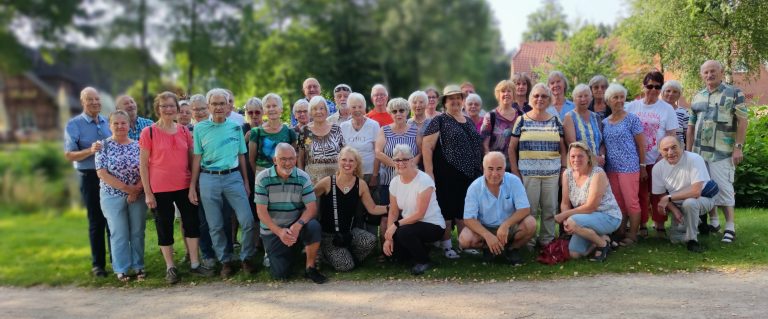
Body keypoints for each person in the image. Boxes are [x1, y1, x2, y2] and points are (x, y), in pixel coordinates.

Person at [139, 92, 213, 284]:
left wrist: (193, 185)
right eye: (164, 106)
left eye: (172, 106)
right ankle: (170, 267)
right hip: (160, 188)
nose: (169, 109)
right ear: (158, 109)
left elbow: (191, 160)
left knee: (191, 224)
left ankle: (195, 264)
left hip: (184, 185)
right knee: (164, 227)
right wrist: (148, 192)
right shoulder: (149, 132)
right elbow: (144, 165)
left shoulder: (183, 131)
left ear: (177, 109)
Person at [188, 88, 257, 278]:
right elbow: (197, 157)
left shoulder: (236, 127)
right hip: (208, 178)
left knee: (247, 220)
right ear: (209, 106)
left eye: (222, 103)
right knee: (215, 225)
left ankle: (246, 257)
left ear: (229, 105)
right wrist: (193, 186)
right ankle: (225, 260)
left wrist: (245, 181)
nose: (219, 107)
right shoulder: (200, 128)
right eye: (215, 104)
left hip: (233, 177)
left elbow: (241, 155)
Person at [687, 60, 749, 243]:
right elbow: (690, 127)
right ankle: (714, 222)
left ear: (721, 72)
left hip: (722, 151)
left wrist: (738, 147)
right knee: (706, 188)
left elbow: (743, 121)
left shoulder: (734, 93)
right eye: (705, 72)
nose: (709, 75)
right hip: (699, 153)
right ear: (701, 75)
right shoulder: (697, 96)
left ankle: (730, 227)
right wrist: (689, 153)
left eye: (713, 71)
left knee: (724, 188)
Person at [423, 85, 483, 259]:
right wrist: (429, 171)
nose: (455, 101)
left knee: (464, 210)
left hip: (470, 174)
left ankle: (464, 244)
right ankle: (447, 246)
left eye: (458, 98)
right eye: (451, 99)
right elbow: (427, 146)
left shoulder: (468, 120)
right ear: (445, 102)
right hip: (446, 173)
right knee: (447, 210)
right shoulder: (439, 120)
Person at [254, 143, 327, 283]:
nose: (288, 163)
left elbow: (311, 208)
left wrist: (298, 225)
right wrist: (280, 232)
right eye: (283, 159)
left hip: (295, 226)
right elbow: (261, 212)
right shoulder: (263, 178)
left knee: (313, 226)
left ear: (296, 158)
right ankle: (281, 253)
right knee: (281, 274)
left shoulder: (303, 177)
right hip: (273, 230)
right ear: (275, 160)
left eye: (291, 158)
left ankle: (310, 268)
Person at [508, 83, 566, 248]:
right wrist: (515, 171)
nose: (540, 99)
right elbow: (512, 148)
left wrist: (563, 169)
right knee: (529, 210)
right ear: (531, 99)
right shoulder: (522, 120)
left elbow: (563, 148)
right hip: (528, 173)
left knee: (550, 209)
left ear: (549, 100)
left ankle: (546, 241)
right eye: (536, 96)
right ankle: (529, 241)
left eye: (544, 96)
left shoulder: (555, 120)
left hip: (552, 173)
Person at [314, 147, 388, 271]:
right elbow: (309, 197)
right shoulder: (327, 182)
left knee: (370, 240)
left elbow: (373, 208)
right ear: (339, 162)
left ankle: (346, 256)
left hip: (349, 232)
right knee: (346, 266)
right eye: (344, 160)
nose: (347, 164)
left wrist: (392, 207)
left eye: (351, 161)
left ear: (356, 164)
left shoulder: (361, 184)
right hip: (329, 236)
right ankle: (326, 255)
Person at [64, 87, 112, 278]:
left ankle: (118, 262)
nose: (95, 103)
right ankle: (98, 265)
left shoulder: (107, 122)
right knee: (96, 221)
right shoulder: (74, 124)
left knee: (113, 221)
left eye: (97, 99)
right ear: (82, 102)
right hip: (89, 176)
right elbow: (69, 154)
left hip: (110, 176)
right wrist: (90, 150)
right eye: (90, 100)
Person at [625, 71, 678, 238]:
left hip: (658, 158)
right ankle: (642, 224)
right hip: (636, 159)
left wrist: (665, 157)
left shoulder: (667, 109)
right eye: (650, 86)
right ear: (644, 86)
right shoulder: (631, 107)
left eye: (657, 86)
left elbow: (671, 135)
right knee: (639, 193)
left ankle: (659, 224)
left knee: (659, 193)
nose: (653, 90)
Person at [95, 110, 146, 281]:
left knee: (138, 231)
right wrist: (128, 189)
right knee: (119, 232)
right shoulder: (103, 146)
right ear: (109, 126)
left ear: (129, 125)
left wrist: (136, 190)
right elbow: (102, 173)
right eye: (115, 123)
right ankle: (121, 268)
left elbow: (146, 169)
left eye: (123, 123)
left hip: (137, 195)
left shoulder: (138, 145)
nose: (119, 126)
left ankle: (139, 266)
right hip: (112, 196)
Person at [459, 152, 536, 265]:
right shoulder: (474, 187)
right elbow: (468, 219)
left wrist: (505, 225)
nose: (494, 174)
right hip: (485, 227)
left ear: (505, 169)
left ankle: (512, 249)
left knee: (531, 223)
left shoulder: (514, 181)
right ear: (483, 169)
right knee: (464, 239)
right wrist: (487, 235)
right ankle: (488, 249)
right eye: (490, 169)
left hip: (510, 227)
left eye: (499, 169)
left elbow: (524, 209)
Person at [383, 144, 446, 275]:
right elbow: (393, 211)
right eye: (397, 160)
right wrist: (389, 237)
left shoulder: (424, 180)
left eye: (405, 159)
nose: (401, 163)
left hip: (432, 224)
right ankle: (420, 250)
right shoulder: (394, 182)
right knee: (395, 255)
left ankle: (424, 261)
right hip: (410, 224)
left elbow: (420, 214)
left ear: (412, 160)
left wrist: (396, 225)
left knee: (403, 232)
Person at [555, 142, 622, 261]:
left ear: (588, 157)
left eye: (580, 156)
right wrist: (565, 221)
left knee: (573, 221)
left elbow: (591, 206)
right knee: (575, 254)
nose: (576, 159)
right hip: (585, 218)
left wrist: (565, 216)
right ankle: (604, 239)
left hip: (608, 216)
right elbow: (565, 203)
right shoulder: (567, 174)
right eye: (573, 156)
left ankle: (602, 245)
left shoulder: (597, 173)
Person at [652, 136, 716, 252]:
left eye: (674, 147)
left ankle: (692, 241)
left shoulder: (694, 159)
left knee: (689, 203)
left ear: (683, 147)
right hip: (678, 205)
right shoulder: (657, 168)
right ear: (660, 152)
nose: (670, 153)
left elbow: (696, 191)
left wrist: (669, 197)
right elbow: (661, 194)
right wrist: (675, 210)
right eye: (665, 150)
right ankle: (699, 223)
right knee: (674, 239)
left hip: (702, 199)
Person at [375, 97, 420, 257]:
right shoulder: (384, 130)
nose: (398, 114)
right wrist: (397, 165)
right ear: (390, 113)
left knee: (408, 215)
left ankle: (406, 250)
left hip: (411, 182)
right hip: (388, 181)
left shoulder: (415, 130)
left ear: (407, 112)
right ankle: (385, 251)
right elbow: (378, 152)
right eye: (394, 111)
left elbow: (421, 153)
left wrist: (407, 168)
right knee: (387, 215)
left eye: (401, 110)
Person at [601, 84, 646, 246]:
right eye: (615, 97)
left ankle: (633, 235)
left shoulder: (632, 119)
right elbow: (603, 144)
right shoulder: (605, 122)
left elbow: (642, 145)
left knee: (631, 202)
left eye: (622, 97)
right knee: (618, 202)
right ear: (608, 101)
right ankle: (620, 232)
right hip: (612, 169)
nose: (620, 100)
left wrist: (642, 166)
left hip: (629, 167)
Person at [298, 96, 346, 184]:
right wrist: (302, 178)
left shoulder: (336, 129)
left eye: (321, 108)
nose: (318, 112)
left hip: (335, 178)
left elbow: (344, 154)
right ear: (310, 112)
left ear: (326, 111)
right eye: (314, 109)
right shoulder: (305, 131)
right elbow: (300, 158)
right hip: (312, 180)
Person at [481, 80, 523, 167]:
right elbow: (484, 144)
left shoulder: (521, 115)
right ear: (498, 95)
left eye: (509, 91)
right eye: (503, 91)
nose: (506, 94)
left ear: (513, 94)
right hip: (496, 165)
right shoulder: (490, 116)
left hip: (518, 164)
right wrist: (489, 164)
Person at [563, 84, 604, 163]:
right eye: (580, 96)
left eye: (586, 96)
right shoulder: (569, 117)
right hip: (580, 164)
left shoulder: (596, 117)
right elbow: (573, 144)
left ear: (591, 98)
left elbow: (602, 142)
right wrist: (593, 158)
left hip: (599, 165)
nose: (583, 99)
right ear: (574, 99)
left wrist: (602, 156)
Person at [661, 80, 688, 145]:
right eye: (668, 91)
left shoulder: (683, 112)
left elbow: (686, 133)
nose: (671, 94)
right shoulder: (656, 110)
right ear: (662, 93)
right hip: (658, 149)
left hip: (677, 149)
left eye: (675, 92)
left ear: (679, 95)